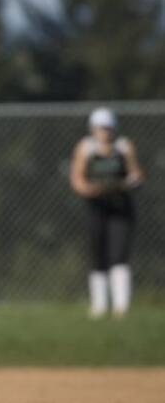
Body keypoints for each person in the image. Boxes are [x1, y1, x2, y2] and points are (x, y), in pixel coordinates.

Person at [69, 106, 144, 319]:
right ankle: (99, 306)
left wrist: (126, 184)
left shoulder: (123, 147)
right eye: (101, 127)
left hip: (120, 208)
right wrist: (96, 189)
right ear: (93, 128)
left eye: (108, 127)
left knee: (118, 254)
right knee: (97, 255)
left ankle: (121, 306)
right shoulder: (86, 148)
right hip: (96, 207)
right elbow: (77, 180)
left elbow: (136, 174)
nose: (105, 132)